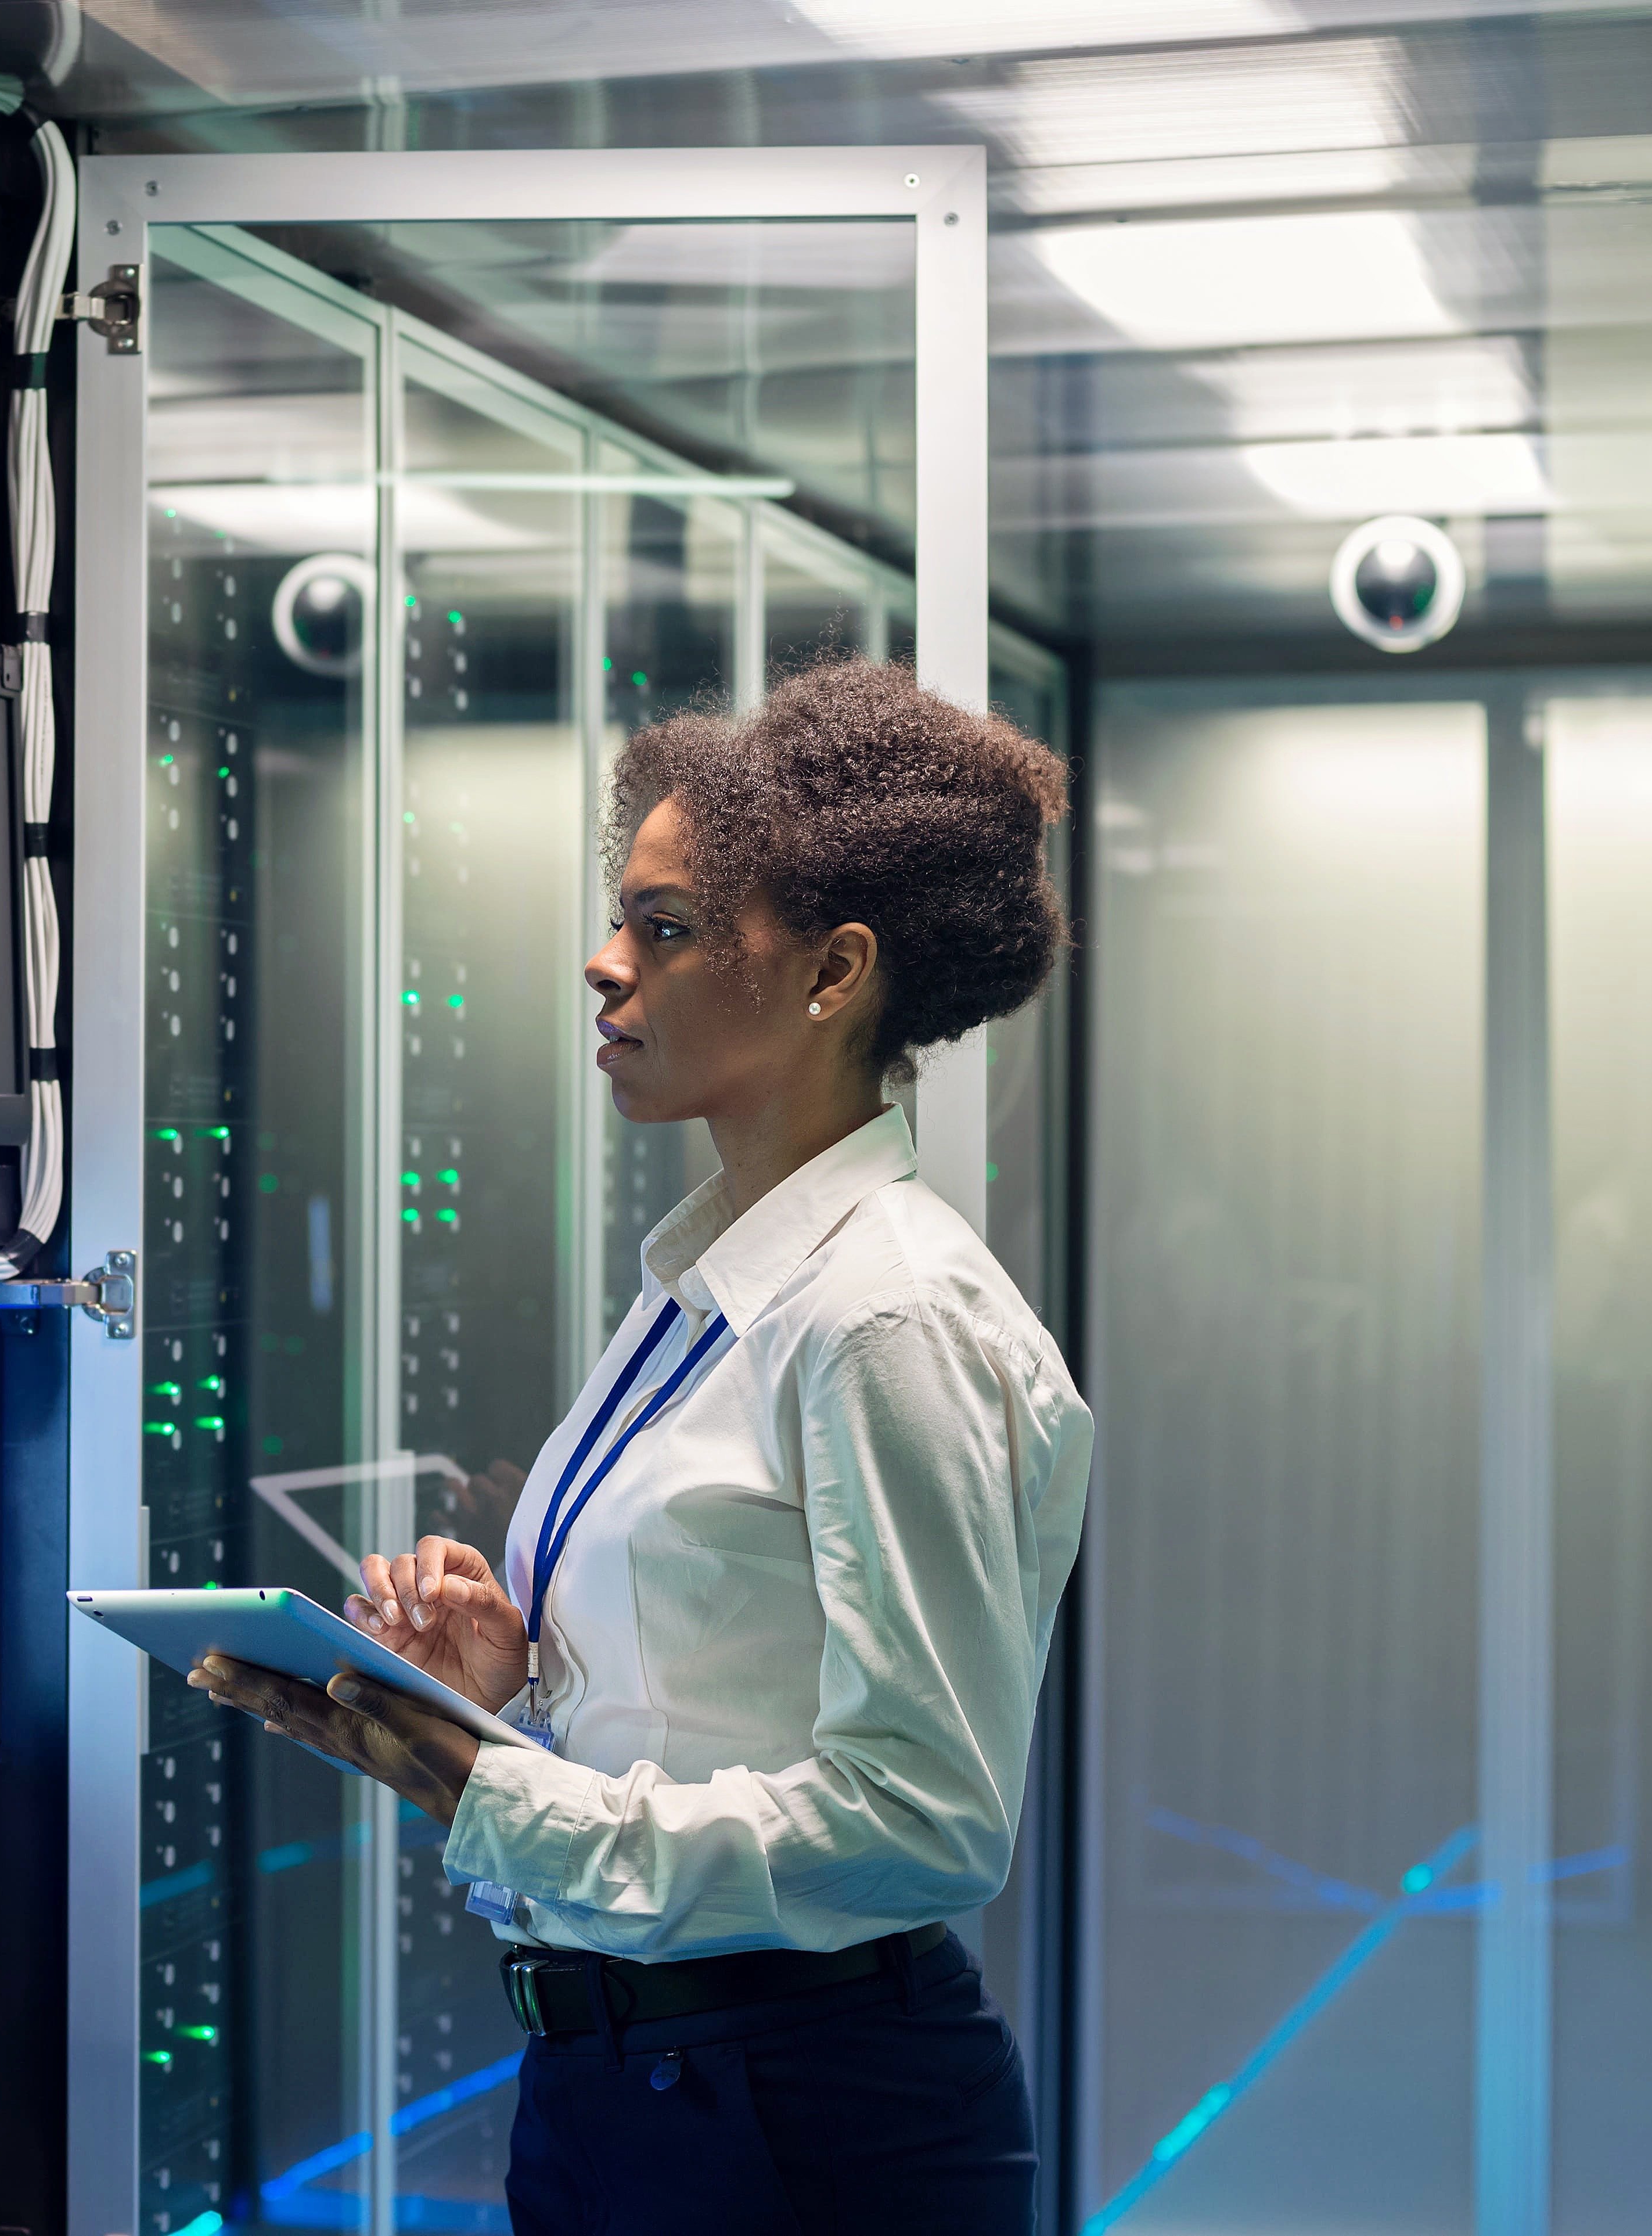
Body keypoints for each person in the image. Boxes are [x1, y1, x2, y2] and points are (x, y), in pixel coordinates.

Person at [193, 660, 1091, 2234]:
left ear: (834, 976)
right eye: (622, 919)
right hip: (628, 2086)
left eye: (666, 930)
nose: (606, 967)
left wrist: (497, 1792)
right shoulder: (714, 1280)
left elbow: (924, 1819)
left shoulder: (885, 1313)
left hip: (803, 2116)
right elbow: (714, 1701)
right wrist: (511, 1691)